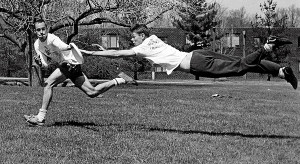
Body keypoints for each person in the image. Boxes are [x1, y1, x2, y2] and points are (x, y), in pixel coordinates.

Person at [80, 24, 297, 90]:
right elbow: (120, 50)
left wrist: (91, 52)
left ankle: (266, 48)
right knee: (242, 65)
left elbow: (118, 52)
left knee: (239, 67)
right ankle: (280, 71)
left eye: (134, 37)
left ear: (143, 35)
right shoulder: (153, 37)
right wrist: (103, 49)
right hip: (197, 55)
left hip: (194, 62)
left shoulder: (144, 47)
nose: (133, 41)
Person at [24, 18, 137, 126]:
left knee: (48, 84)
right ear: (35, 31)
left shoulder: (52, 39)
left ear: (47, 29)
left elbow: (62, 46)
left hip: (69, 64)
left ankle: (40, 118)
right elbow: (45, 65)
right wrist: (39, 63)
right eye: (38, 30)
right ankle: (121, 80)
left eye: (43, 29)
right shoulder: (36, 45)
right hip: (70, 67)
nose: (41, 32)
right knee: (92, 92)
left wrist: (69, 48)